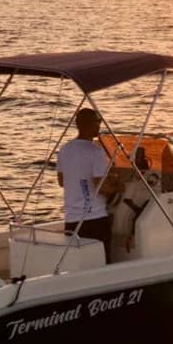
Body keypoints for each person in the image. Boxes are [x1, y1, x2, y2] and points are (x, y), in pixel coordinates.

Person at [57, 108, 119, 261]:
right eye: (98, 122)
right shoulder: (95, 152)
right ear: (91, 124)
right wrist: (118, 187)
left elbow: (61, 181)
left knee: (78, 263)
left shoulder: (64, 150)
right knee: (101, 262)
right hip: (95, 219)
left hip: (72, 221)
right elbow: (102, 187)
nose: (99, 125)